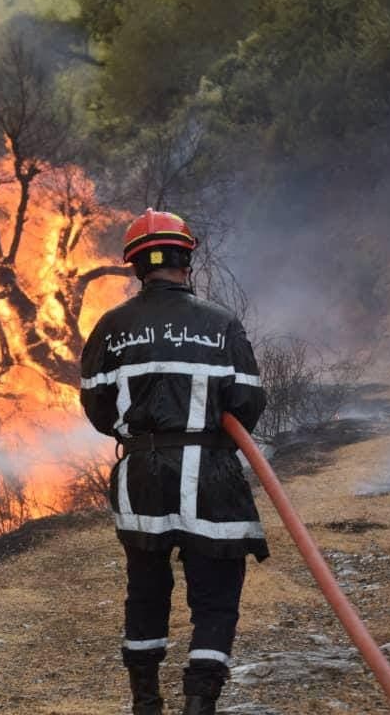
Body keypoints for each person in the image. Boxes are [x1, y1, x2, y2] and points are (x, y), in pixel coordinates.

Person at [80, 209, 268, 715]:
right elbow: (248, 402)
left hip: (140, 478)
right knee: (215, 596)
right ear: (187, 258)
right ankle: (199, 704)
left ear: (136, 266)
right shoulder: (220, 323)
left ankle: (146, 703)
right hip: (211, 477)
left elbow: (97, 408)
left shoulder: (111, 327)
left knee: (145, 588)